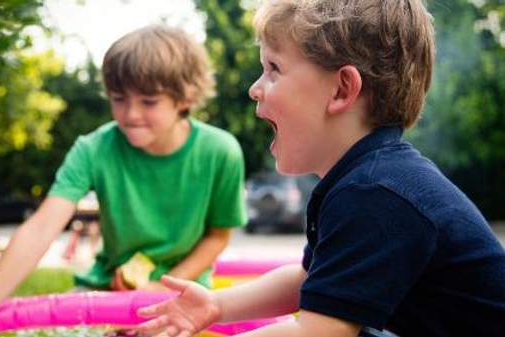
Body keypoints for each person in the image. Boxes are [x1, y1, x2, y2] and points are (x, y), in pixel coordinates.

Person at [137, 1, 505, 336]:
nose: (254, 88)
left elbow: (314, 333)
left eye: (274, 69)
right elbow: (310, 279)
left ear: (342, 90)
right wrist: (217, 306)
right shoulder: (367, 180)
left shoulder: (377, 194)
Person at [0, 24, 247, 337]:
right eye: (118, 99)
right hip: (105, 291)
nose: (130, 114)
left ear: (185, 98)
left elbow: (218, 236)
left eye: (148, 101)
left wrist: (157, 288)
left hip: (184, 295)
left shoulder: (220, 151)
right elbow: (39, 230)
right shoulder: (93, 149)